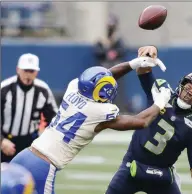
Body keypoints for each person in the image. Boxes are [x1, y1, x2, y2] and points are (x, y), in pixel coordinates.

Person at [10, 47, 170, 194]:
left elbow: (103, 76)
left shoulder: (73, 87)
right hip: (43, 165)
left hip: (25, 155)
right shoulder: (99, 111)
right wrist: (160, 102)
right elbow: (140, 121)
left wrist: (133, 64)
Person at [105, 46, 192, 194]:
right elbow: (143, 70)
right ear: (181, 84)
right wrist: (150, 50)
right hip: (132, 165)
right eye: (188, 87)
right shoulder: (162, 93)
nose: (189, 92)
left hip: (162, 175)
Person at [1, 53, 58, 162]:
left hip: (30, 143)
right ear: (18, 69)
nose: (28, 74)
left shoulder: (43, 90)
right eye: (25, 70)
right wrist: (1, 141)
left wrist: (45, 137)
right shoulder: (4, 88)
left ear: (36, 72)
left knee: (30, 177)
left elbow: (54, 118)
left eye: (31, 71)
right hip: (5, 140)